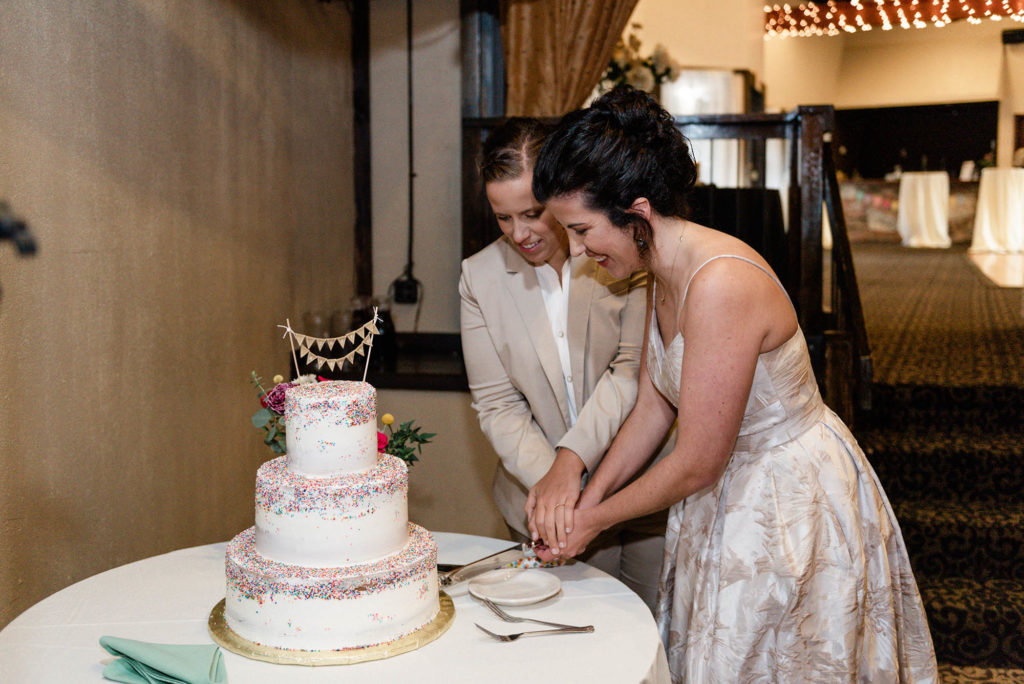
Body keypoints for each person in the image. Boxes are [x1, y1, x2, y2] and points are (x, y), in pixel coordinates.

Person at [528, 88, 938, 681]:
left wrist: (594, 522)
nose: (580, 251)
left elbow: (696, 460)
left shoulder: (719, 283)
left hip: (788, 494)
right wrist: (584, 507)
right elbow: (653, 405)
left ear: (637, 212)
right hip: (723, 494)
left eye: (584, 229)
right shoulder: (656, 272)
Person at [459, 117, 670, 612]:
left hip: (640, 486)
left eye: (533, 212)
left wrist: (571, 466)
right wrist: (556, 488)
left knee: (651, 635)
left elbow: (630, 371)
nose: (521, 233)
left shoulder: (615, 251)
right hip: (542, 505)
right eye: (503, 218)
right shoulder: (479, 277)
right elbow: (497, 403)